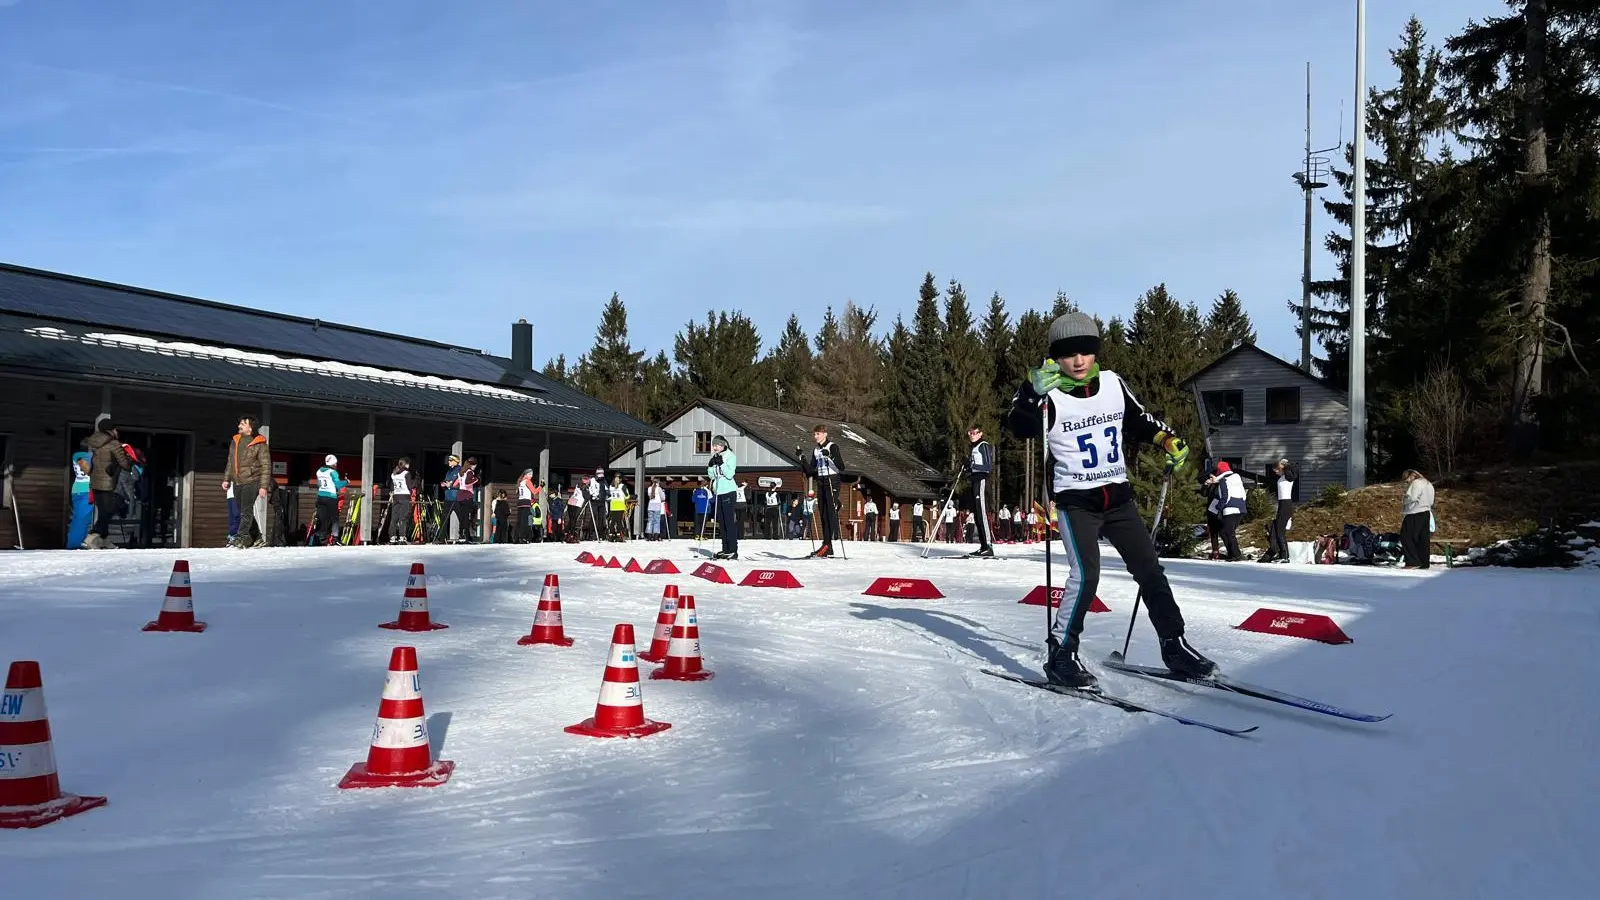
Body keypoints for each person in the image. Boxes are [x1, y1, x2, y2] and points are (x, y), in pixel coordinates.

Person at [1006, 311, 1217, 689]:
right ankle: (1062, 655)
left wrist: (1167, 439)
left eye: (1085, 352)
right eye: (1069, 354)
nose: (1079, 360)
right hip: (1076, 502)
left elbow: (1138, 421)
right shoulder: (1048, 394)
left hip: (1117, 499)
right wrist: (1029, 390)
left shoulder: (1112, 383)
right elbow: (1019, 426)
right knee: (1085, 576)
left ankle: (1175, 645)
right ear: (1057, 356)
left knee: (1151, 572)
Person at [797, 425, 844, 557]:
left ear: (824, 434)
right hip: (821, 481)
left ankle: (828, 544)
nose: (815, 436)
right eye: (814, 434)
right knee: (823, 514)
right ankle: (826, 544)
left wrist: (830, 457)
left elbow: (841, 466)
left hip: (832, 480)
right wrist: (802, 459)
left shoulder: (832, 447)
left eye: (818, 434)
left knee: (829, 512)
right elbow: (811, 471)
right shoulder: (816, 450)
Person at [224, 416, 271, 548]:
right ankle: (257, 537)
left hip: (252, 480)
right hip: (237, 481)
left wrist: (263, 486)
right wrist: (227, 479)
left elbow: (266, 466)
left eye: (243, 424)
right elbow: (230, 462)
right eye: (239, 423)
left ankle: (242, 537)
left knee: (246, 510)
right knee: (243, 510)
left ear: (251, 427)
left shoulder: (260, 443)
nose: (239, 425)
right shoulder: (235, 441)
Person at [964, 425, 996, 557]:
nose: (972, 435)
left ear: (980, 433)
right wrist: (968, 467)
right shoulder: (973, 447)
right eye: (970, 433)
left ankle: (988, 545)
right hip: (974, 480)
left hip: (982, 480)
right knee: (976, 513)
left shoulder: (983, 445)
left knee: (981, 512)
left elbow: (988, 467)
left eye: (974, 433)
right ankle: (983, 546)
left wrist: (973, 466)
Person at [707, 434, 740, 559]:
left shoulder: (730, 456)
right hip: (718, 491)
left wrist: (721, 464)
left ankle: (733, 549)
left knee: (729, 521)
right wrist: (711, 466)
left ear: (723, 445)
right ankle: (725, 548)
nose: (715, 448)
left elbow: (730, 474)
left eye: (717, 445)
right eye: (714, 445)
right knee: (721, 522)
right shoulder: (715, 456)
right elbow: (711, 476)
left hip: (728, 491)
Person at [1206, 461, 1246, 561]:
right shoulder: (1237, 479)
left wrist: (1219, 507)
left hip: (1230, 509)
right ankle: (1232, 553)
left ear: (1219, 472)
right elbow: (1244, 495)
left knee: (1229, 533)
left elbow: (1225, 496)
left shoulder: (1223, 481)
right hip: (1241, 508)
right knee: (1224, 531)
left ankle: (1236, 555)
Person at [1262, 458, 1298, 563]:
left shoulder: (1288, 476)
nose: (1276, 473)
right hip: (1282, 504)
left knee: (1280, 531)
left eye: (1276, 470)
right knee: (1278, 530)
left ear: (1280, 468)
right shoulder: (1282, 477)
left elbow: (1293, 473)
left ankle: (1285, 556)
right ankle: (1282, 554)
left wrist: (1285, 464)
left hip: (1286, 504)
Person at [1400, 469, 1435, 568]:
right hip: (1426, 512)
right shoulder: (1428, 483)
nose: (1407, 482)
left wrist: (1404, 499)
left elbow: (1412, 497)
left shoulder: (1416, 483)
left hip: (1414, 512)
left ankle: (1412, 561)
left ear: (1411, 476)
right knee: (1422, 539)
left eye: (1406, 480)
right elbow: (1431, 500)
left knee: (1406, 536)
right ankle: (1424, 562)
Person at [312, 455, 348, 546]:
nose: (336, 464)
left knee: (323, 519)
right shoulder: (333, 472)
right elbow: (339, 485)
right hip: (331, 497)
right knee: (334, 519)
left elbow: (319, 484)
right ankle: (336, 539)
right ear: (333, 463)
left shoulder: (319, 471)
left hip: (320, 497)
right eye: (335, 463)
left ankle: (322, 540)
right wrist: (347, 481)